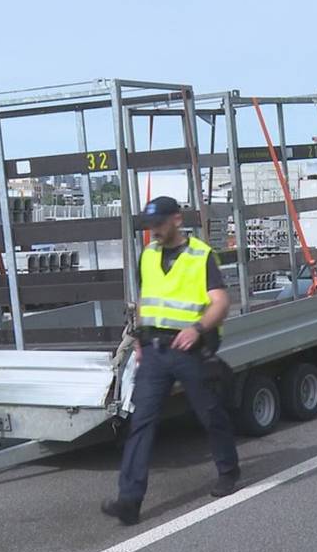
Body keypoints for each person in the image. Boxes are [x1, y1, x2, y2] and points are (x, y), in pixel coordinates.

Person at [101, 196, 240, 526]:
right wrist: (137, 339)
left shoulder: (200, 255)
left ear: (177, 219)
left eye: (159, 224)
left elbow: (221, 303)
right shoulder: (147, 255)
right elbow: (144, 302)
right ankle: (129, 501)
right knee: (141, 424)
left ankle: (228, 471)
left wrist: (198, 328)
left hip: (189, 349)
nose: (154, 231)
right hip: (153, 351)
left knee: (210, 413)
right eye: (150, 225)